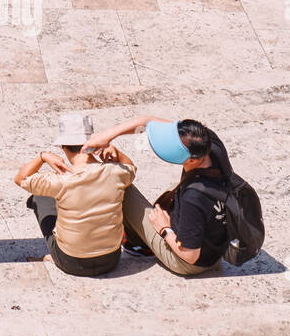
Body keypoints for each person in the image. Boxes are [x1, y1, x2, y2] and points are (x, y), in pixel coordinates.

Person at [83, 115, 242, 277]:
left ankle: (137, 243)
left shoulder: (193, 196)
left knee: (122, 188)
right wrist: (108, 136)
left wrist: (164, 229)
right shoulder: (209, 143)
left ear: (192, 160)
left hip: (189, 262)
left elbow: (191, 256)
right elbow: (147, 122)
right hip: (215, 243)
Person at [13, 112, 135, 277]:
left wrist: (43, 157)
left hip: (71, 262)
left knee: (40, 197)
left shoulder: (62, 180)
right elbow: (131, 168)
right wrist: (115, 151)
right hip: (111, 259)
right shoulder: (115, 172)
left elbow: (21, 179)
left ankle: (53, 255)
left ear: (63, 147)